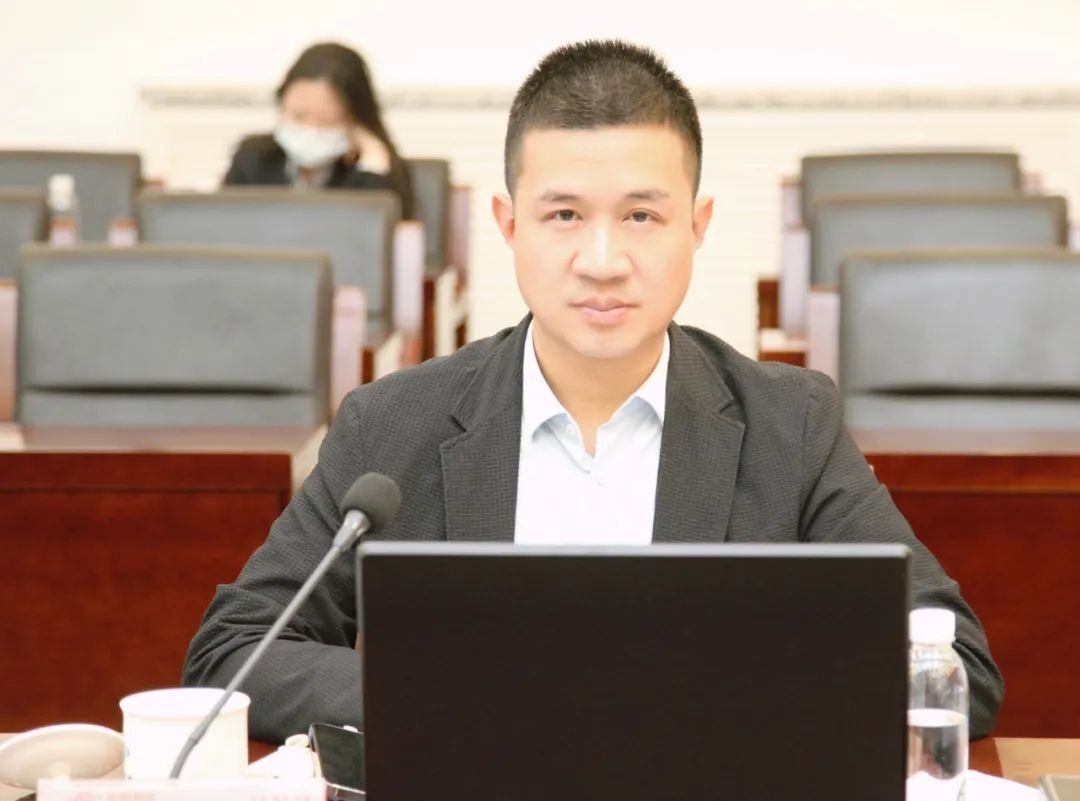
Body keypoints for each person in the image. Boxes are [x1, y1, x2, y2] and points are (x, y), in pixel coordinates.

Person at [185, 40, 1003, 743]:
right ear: (510, 226)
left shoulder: (790, 425)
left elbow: (956, 667)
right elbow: (235, 648)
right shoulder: (395, 423)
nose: (603, 261)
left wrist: (701, 695)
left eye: (642, 216)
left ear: (698, 226)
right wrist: (453, 695)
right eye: (565, 215)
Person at [223, 41, 414, 218]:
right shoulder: (253, 158)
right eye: (298, 116)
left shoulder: (374, 169)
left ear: (354, 120)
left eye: (325, 121)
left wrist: (373, 165)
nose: (310, 130)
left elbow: (375, 234)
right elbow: (222, 224)